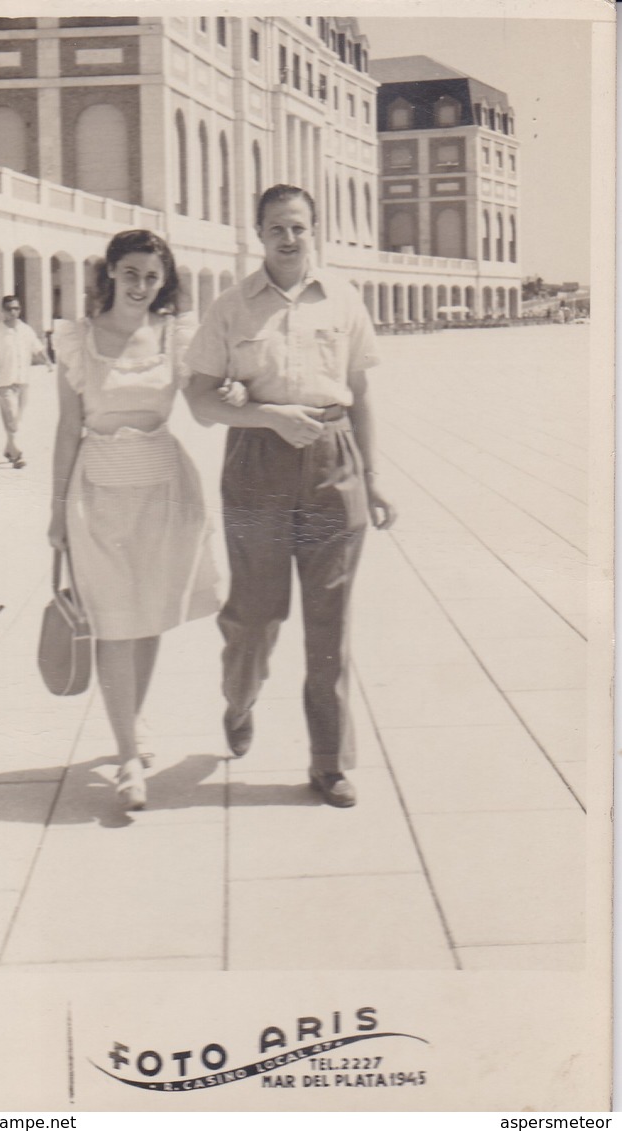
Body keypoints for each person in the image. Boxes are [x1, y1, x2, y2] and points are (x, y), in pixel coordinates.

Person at [185, 184, 396, 809]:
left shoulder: (344, 301)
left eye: (298, 227)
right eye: (276, 227)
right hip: (258, 466)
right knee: (255, 617)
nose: (288, 238)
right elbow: (197, 401)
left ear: (315, 232)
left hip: (335, 463)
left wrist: (373, 476)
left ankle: (327, 762)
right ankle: (239, 698)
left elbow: (360, 390)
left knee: (329, 624)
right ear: (258, 233)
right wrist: (270, 418)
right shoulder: (230, 308)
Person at [47, 229, 219, 811]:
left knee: (146, 618)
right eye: (131, 273)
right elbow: (69, 427)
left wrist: (240, 389)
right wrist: (54, 512)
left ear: (163, 280)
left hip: (165, 491)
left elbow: (202, 394)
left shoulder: (175, 336)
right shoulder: (78, 339)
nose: (142, 286)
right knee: (113, 620)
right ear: (111, 274)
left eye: (152, 276)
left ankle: (133, 723)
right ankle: (126, 757)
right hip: (95, 493)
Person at [0, 295, 52, 468]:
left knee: (16, 420)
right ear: (3, 310)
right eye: (9, 309)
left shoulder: (26, 330)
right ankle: (17, 455)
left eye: (16, 308)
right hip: (5, 382)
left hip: (23, 381)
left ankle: (9, 449)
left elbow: (37, 347)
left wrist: (47, 361)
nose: (13, 312)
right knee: (12, 418)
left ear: (20, 309)